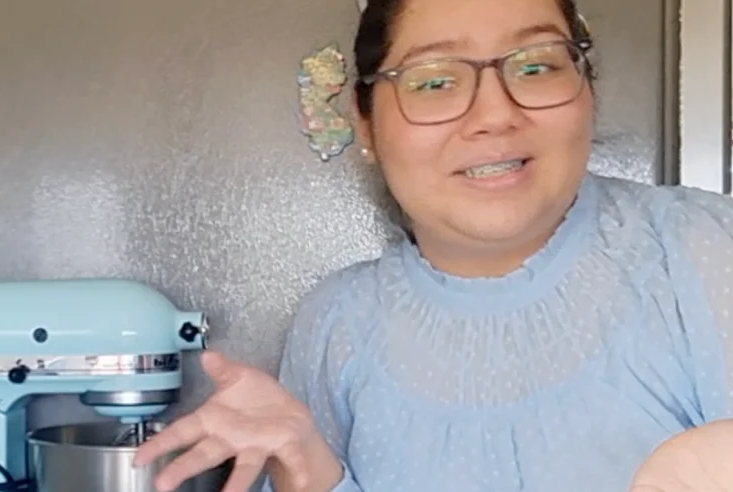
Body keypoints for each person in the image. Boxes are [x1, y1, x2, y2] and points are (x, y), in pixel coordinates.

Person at [131, 0, 733, 490]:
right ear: (365, 125)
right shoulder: (337, 325)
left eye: (536, 66)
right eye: (435, 81)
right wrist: (313, 480)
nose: (495, 115)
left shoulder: (706, 251)